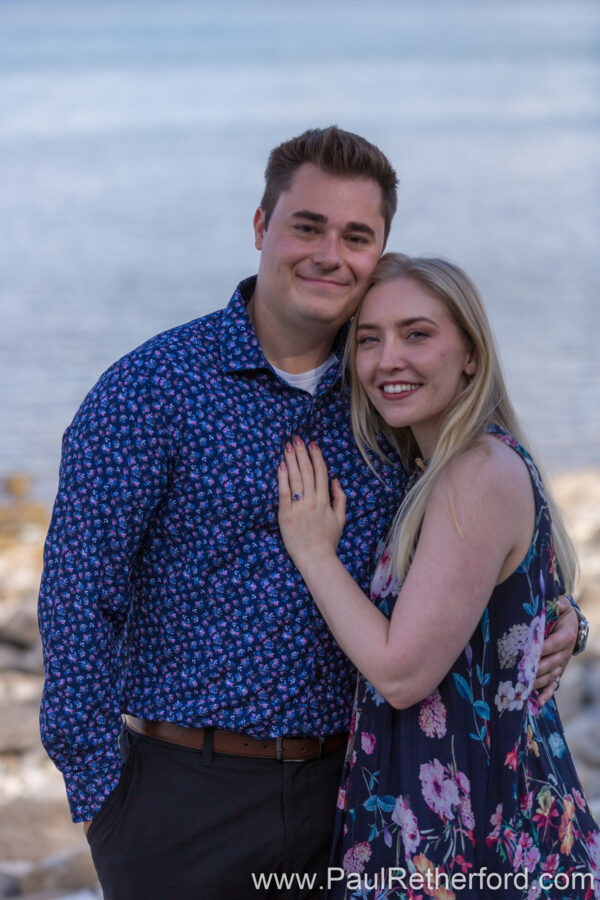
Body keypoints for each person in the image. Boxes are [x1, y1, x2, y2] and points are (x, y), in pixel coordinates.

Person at [38, 128, 582, 900]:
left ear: (379, 250)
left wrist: (562, 618)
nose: (331, 254)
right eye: (308, 226)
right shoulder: (150, 391)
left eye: (357, 236)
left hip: (360, 800)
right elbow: (76, 595)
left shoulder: (389, 404)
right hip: (186, 800)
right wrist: (105, 800)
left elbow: (483, 549)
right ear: (262, 227)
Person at [277, 253, 598, 899]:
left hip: (475, 838)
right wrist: (568, 625)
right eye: (369, 339)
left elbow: (401, 674)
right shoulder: (447, 465)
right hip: (454, 823)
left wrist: (314, 551)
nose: (387, 359)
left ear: (471, 354)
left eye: (417, 334)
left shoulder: (474, 473)